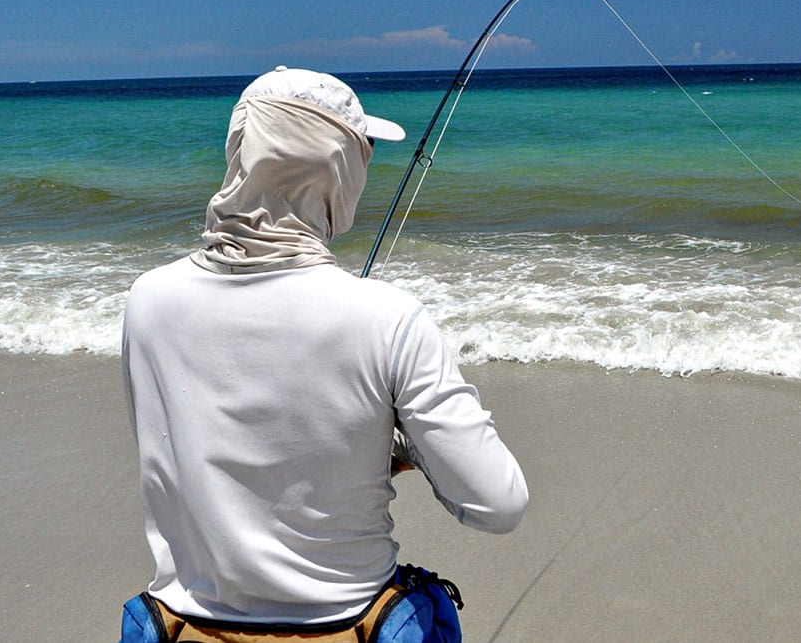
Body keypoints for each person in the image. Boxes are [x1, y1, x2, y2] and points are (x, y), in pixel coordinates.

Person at [120, 66, 528, 638]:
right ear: (338, 172)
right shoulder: (388, 318)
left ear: (239, 152)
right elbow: (498, 503)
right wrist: (401, 446)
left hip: (186, 631)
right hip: (350, 627)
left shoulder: (147, 303)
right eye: (363, 154)